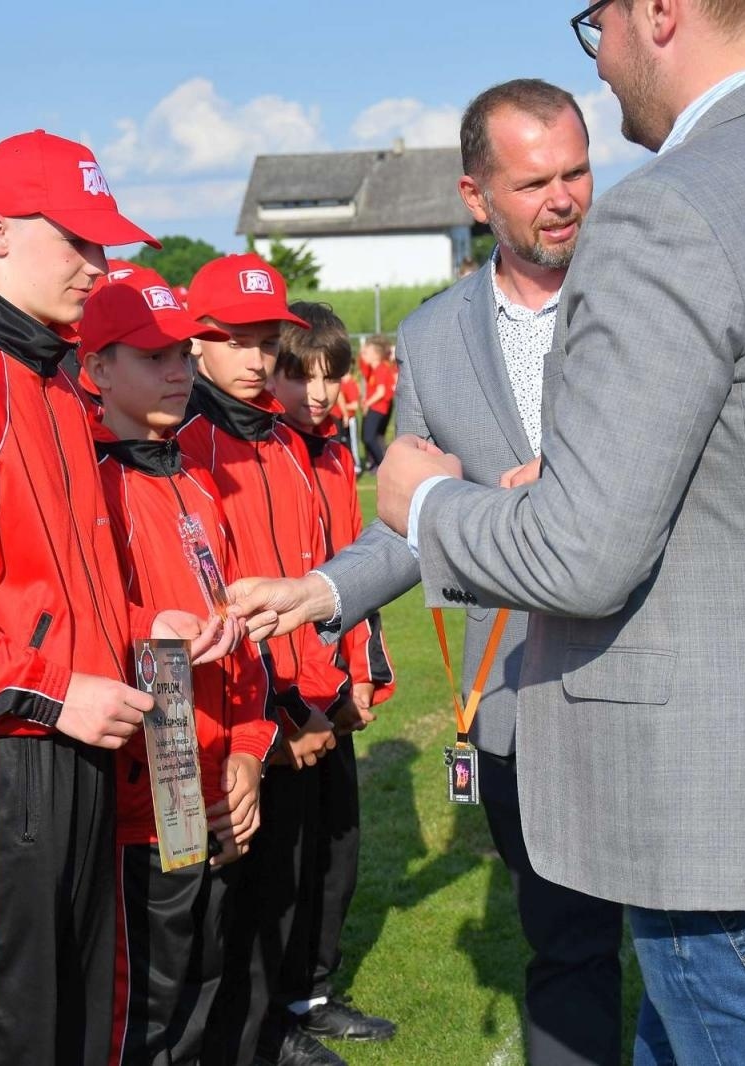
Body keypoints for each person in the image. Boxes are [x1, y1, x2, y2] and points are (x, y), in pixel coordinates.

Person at [237, 3, 745, 1062]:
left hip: (740, 815)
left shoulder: (669, 216)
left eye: (593, 24)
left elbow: (578, 552)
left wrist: (426, 502)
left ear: (656, 14)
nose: (597, 57)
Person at [265, 79, 623, 1066]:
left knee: (689, 958)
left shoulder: (650, 290)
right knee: (567, 950)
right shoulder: (427, 335)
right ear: (475, 195)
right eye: (534, 181)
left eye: (578, 172)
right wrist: (323, 591)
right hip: (516, 697)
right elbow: (415, 511)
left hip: (658, 683)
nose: (564, 198)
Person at [0, 129, 231, 1066]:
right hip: (1, 752)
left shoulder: (60, 384)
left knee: (84, 1005)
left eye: (103, 243)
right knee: (10, 1021)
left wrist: (148, 627)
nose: (97, 265)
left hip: (83, 737)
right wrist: (56, 694)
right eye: (76, 239)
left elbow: (63, 583)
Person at [78, 263, 277, 1065]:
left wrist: (250, 752)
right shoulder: (86, 484)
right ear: (95, 369)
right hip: (138, 797)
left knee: (200, 976)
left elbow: (238, 635)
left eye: (182, 354)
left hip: (212, 777)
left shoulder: (193, 476)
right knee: (143, 1003)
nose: (177, 372)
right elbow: (75, 629)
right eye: (151, 356)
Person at [175, 253, 349, 1066]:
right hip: (233, 717)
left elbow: (308, 579)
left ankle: (272, 1025)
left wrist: (324, 695)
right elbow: (219, 607)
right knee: (228, 904)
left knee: (282, 884)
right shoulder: (183, 441)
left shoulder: (284, 444)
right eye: (232, 339)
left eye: (265, 340)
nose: (254, 359)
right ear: (196, 341)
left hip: (295, 708)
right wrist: (279, 717)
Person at [269, 301, 398, 1050]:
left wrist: (361, 677)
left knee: (335, 856)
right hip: (285, 694)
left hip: (332, 686)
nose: (318, 393)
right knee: (283, 861)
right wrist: (292, 693)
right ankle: (275, 1012)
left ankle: (314, 995)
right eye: (302, 375)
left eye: (330, 377)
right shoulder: (262, 451)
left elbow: (357, 573)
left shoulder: (335, 454)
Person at [357, 336, 395, 471]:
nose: (363, 355)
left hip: (378, 407)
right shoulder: (373, 369)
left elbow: (381, 391)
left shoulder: (380, 368)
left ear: (375, 355)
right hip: (375, 407)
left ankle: (384, 465)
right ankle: (380, 464)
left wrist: (367, 403)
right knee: (369, 437)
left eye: (366, 352)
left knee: (369, 437)